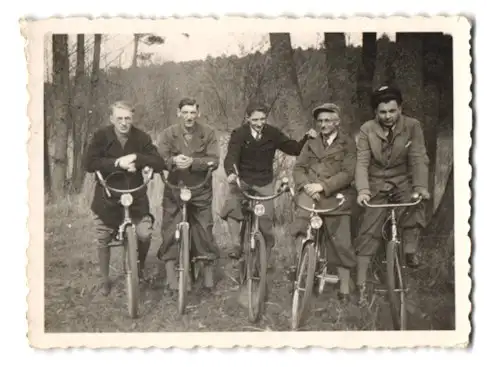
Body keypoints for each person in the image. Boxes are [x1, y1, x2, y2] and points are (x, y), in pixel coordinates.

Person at [354, 85, 430, 306]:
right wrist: (363, 190)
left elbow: (418, 157)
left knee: (416, 202)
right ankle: (361, 285)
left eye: (392, 111)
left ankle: (409, 251)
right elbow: (362, 162)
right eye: (383, 112)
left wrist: (420, 186)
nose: (388, 116)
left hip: (402, 181)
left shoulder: (413, 126)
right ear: (375, 113)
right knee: (368, 231)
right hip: (376, 183)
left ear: (400, 109)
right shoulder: (367, 129)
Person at [84, 100, 167, 296]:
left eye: (127, 118)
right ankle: (104, 279)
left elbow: (159, 162)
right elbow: (89, 163)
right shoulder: (101, 136)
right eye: (119, 118)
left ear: (132, 118)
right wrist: (117, 163)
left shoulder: (141, 137)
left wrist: (138, 160)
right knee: (103, 236)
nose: (123, 122)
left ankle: (139, 268)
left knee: (145, 234)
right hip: (108, 198)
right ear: (111, 118)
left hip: (135, 197)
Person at [220, 101, 317, 266]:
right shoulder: (239, 134)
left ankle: (263, 262)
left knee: (265, 222)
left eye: (262, 119)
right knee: (232, 209)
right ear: (247, 118)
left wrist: (307, 138)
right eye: (255, 119)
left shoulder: (272, 133)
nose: (259, 123)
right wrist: (231, 174)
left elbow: (293, 149)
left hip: (264, 182)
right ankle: (236, 244)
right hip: (242, 180)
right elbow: (231, 157)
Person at [290, 103, 357, 303]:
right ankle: (301, 269)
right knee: (300, 227)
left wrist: (323, 186)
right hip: (310, 193)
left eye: (328, 120)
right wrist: (306, 185)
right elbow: (299, 168)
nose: (323, 124)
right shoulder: (310, 142)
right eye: (320, 121)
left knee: (341, 239)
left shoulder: (347, 143)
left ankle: (344, 285)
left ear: (337, 122)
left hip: (335, 194)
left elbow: (348, 173)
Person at [156, 97, 220, 291]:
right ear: (178, 113)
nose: (189, 117)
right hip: (175, 189)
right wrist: (173, 161)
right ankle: (170, 275)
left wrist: (194, 162)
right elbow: (159, 158)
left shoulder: (208, 133)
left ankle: (207, 272)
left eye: (193, 112)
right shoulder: (168, 134)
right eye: (185, 112)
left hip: (200, 189)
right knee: (169, 229)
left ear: (198, 113)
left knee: (204, 228)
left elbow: (214, 160)